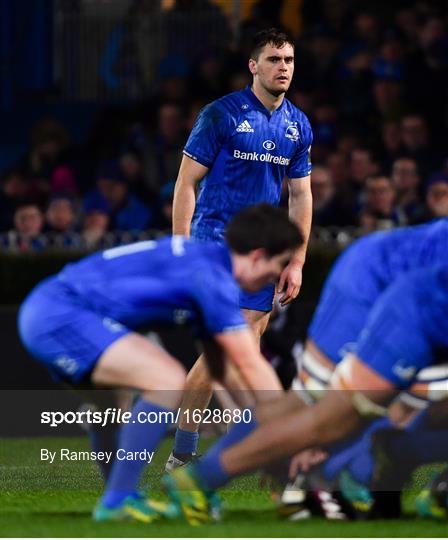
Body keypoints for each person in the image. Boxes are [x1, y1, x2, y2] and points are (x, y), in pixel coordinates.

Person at [18, 204, 302, 523]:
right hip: (63, 316)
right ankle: (118, 499)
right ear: (257, 255)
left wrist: (265, 421)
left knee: (108, 406)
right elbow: (250, 366)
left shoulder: (205, 262)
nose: (276, 277)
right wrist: (288, 431)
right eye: (279, 264)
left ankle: (120, 496)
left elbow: (227, 370)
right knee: (165, 378)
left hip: (48, 310)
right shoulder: (212, 278)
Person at [164, 263, 448, 524]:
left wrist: (297, 261)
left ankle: (298, 469)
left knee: (327, 408)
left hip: (393, 290)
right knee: (323, 408)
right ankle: (215, 474)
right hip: (382, 289)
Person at [167, 27, 313, 468]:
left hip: (263, 256)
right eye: (273, 60)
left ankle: (213, 450)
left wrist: (297, 260)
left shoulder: (298, 125)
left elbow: (301, 196)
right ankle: (189, 454)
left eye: (288, 60)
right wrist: (181, 248)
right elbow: (186, 183)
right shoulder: (222, 115)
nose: (282, 68)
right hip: (215, 245)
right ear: (254, 66)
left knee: (239, 352)